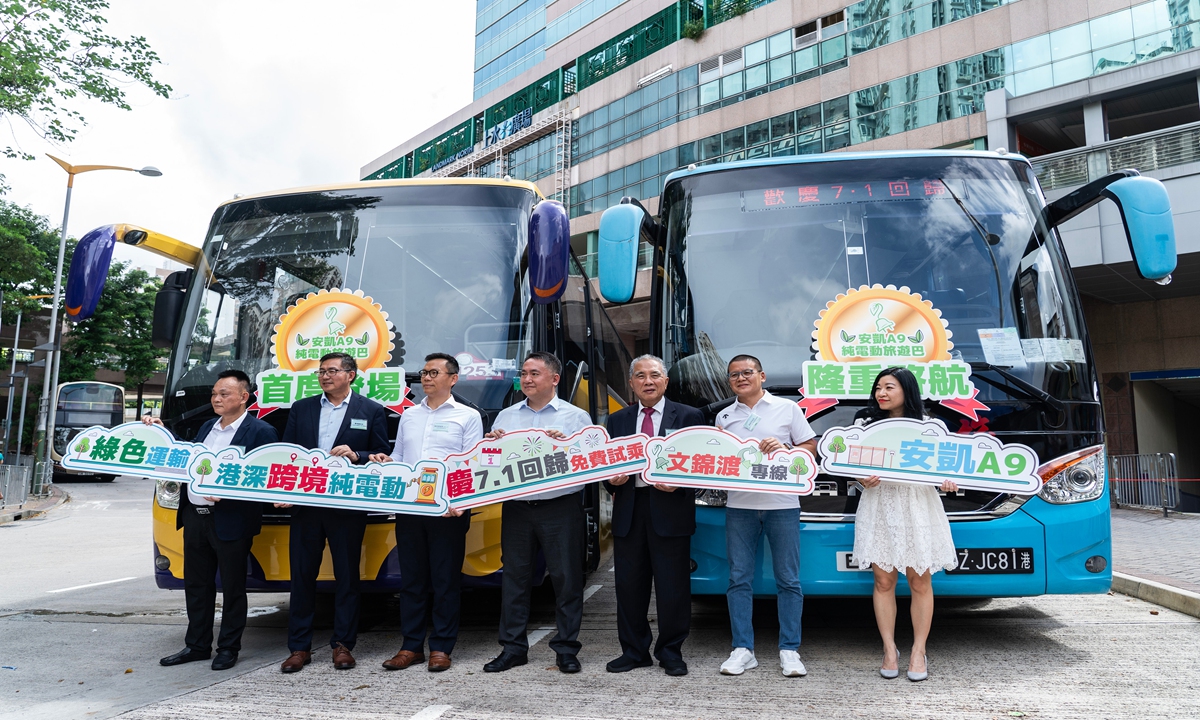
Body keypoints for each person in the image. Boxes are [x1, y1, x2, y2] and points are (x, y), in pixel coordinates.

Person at [151, 369, 278, 671]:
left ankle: (228, 648)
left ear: (244, 397)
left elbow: (268, 477)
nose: (217, 399)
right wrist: (161, 434)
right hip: (195, 516)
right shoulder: (208, 426)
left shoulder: (261, 432)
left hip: (231, 520)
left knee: (233, 588)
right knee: (197, 585)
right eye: (214, 394)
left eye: (224, 394)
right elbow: (191, 461)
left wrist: (231, 492)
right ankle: (196, 645)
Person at [277, 352, 391, 673]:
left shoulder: (370, 410)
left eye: (333, 371)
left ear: (351, 375)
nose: (325, 376)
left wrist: (358, 453)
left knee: (347, 576)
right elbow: (288, 454)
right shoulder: (303, 408)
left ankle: (343, 645)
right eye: (321, 371)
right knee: (301, 576)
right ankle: (299, 647)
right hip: (307, 504)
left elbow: (382, 453)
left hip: (346, 506)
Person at [369, 353, 483, 673]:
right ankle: (411, 646)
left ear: (453, 378)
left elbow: (472, 465)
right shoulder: (410, 415)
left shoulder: (468, 416)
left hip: (448, 511)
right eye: (423, 372)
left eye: (434, 372)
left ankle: (442, 647)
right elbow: (400, 458)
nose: (426, 378)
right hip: (409, 509)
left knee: (445, 580)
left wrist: (457, 502)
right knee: (412, 581)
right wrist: (385, 462)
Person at [482, 351, 592, 675]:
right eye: (524, 374)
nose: (526, 379)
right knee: (514, 579)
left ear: (554, 379)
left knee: (566, 578)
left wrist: (568, 445)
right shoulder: (505, 418)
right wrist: (490, 445)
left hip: (561, 507)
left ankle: (566, 649)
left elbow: (592, 462)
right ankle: (513, 648)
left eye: (534, 374)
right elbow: (489, 465)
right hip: (517, 508)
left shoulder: (575, 418)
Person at [852, 366, 958, 682]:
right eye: (878, 388)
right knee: (883, 582)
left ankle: (918, 651)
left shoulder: (931, 428)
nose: (881, 394)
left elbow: (948, 467)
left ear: (906, 391)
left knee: (919, 582)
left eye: (889, 387)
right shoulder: (864, 427)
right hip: (879, 506)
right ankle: (889, 648)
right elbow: (853, 468)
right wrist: (862, 479)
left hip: (918, 507)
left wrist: (949, 481)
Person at [715, 354, 818, 678]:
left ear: (762, 375)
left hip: (782, 504)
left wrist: (786, 451)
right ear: (729, 381)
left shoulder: (787, 409)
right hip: (740, 507)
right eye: (734, 375)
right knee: (738, 579)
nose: (741, 378)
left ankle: (790, 649)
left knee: (788, 580)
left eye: (747, 372)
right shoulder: (724, 416)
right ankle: (743, 649)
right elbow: (715, 458)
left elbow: (811, 447)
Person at [604, 355, 705, 677]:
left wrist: (680, 483)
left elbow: (703, 465)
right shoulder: (618, 420)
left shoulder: (690, 416)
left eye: (654, 375)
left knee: (672, 587)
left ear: (665, 381)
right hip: (630, 508)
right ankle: (634, 651)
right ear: (631, 383)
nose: (648, 381)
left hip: (670, 509)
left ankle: (671, 651)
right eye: (640, 376)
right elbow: (606, 466)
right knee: (628, 586)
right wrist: (612, 480)